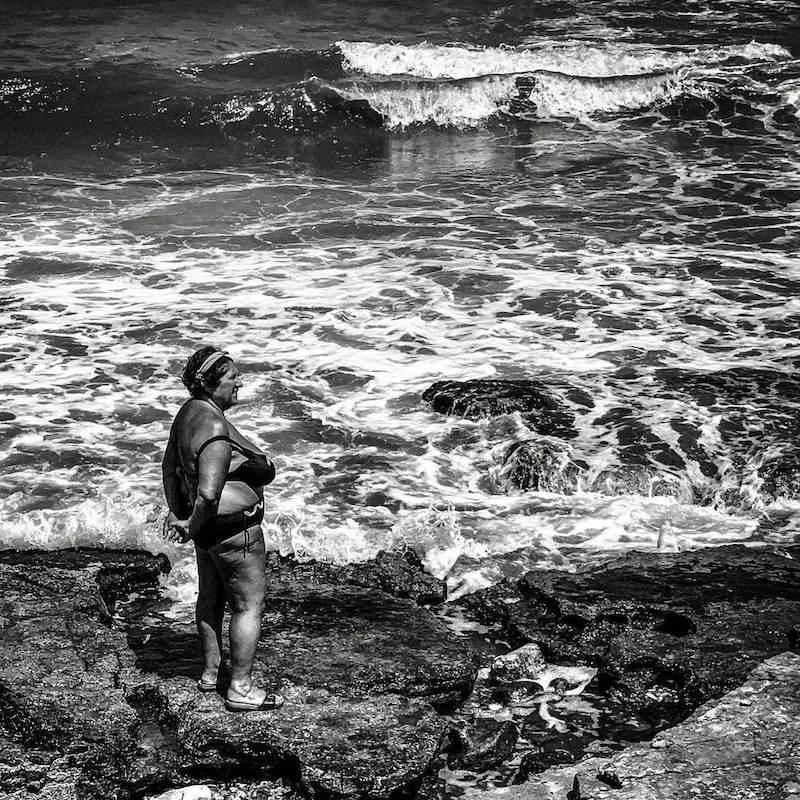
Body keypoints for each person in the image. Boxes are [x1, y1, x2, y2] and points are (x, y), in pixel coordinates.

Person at [161, 346, 283, 712]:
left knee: (211, 599)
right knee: (247, 607)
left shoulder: (187, 414)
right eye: (233, 377)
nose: (239, 383)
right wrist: (189, 524)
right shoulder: (214, 428)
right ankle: (241, 688)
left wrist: (179, 515)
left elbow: (169, 468)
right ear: (212, 384)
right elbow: (210, 493)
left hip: (209, 533)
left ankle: (212, 671)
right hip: (233, 532)